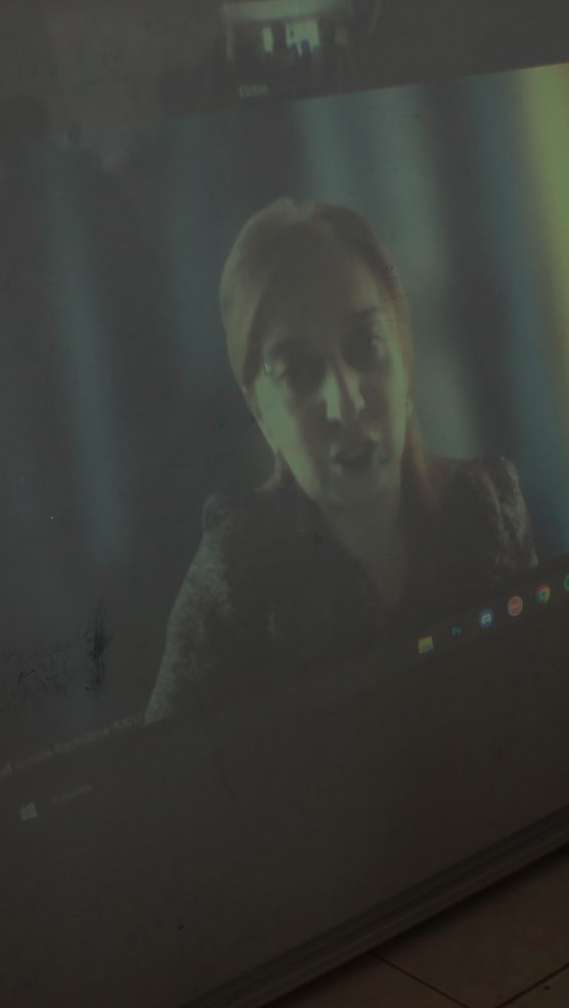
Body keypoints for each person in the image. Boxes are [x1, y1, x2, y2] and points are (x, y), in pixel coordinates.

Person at [146, 199, 533, 720]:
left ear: (405, 356)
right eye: (300, 371)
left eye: (366, 345)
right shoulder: (234, 581)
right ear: (259, 410)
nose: (345, 405)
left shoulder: (488, 509)